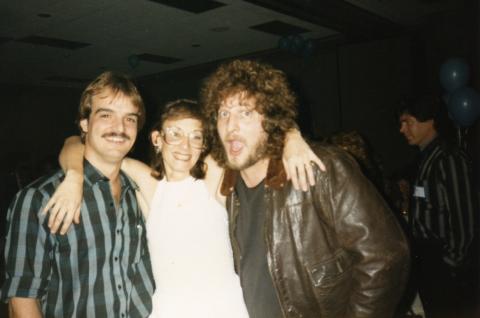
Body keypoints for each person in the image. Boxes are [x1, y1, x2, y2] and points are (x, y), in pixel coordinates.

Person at [41, 101, 323, 318]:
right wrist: (74, 176)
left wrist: (293, 137)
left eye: (196, 137)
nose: (185, 146)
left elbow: (260, 133)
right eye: (174, 134)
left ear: (204, 144)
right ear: (156, 139)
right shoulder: (150, 186)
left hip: (222, 309)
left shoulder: (213, 178)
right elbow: (76, 142)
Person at [199, 59, 410, 318]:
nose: (231, 127)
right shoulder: (230, 190)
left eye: (245, 113)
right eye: (223, 113)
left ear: (272, 119)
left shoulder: (321, 167)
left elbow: (386, 257)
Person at [1, 71, 155, 317]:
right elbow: (22, 297)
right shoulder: (39, 199)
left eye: (130, 119)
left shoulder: (140, 192)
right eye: (106, 115)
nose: (120, 128)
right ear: (85, 123)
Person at [398, 95, 478, 318]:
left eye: (408, 122)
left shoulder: (449, 159)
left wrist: (450, 264)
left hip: (444, 264)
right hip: (428, 260)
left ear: (430, 121)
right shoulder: (426, 157)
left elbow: (465, 219)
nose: (402, 129)